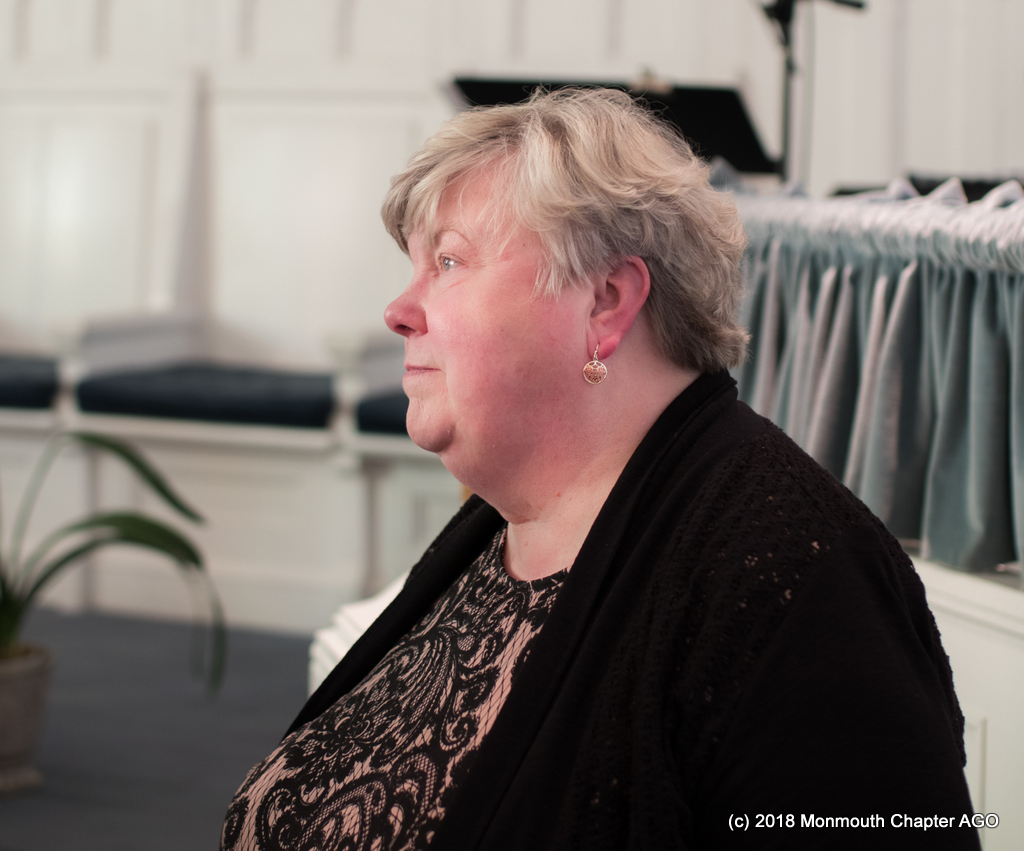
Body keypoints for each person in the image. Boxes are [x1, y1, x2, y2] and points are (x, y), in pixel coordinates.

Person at [222, 88, 979, 851]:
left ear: (605, 302)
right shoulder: (506, 522)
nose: (398, 309)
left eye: (447, 261)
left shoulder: (794, 572)